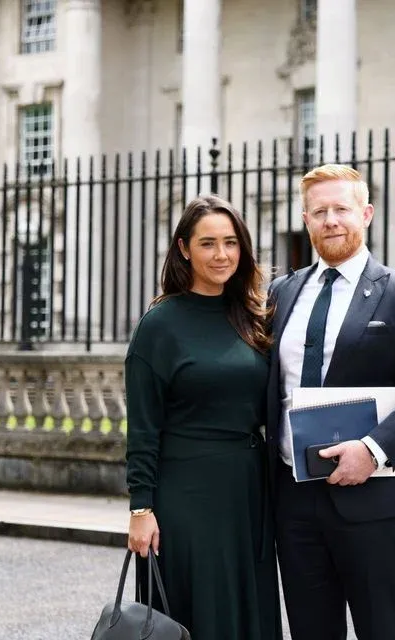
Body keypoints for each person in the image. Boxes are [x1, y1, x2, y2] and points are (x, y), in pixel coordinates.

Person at [266, 164, 395, 640]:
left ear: (366, 214)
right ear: (305, 219)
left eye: (341, 209)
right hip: (294, 499)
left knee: (383, 630)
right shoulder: (281, 293)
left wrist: (371, 450)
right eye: (319, 211)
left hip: (374, 498)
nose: (331, 220)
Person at [124, 195, 281, 640]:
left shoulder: (253, 316)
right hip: (186, 494)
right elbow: (142, 426)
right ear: (183, 249)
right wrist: (141, 508)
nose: (221, 254)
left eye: (231, 242)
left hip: (249, 490)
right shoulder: (159, 324)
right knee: (199, 611)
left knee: (248, 605)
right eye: (208, 243)